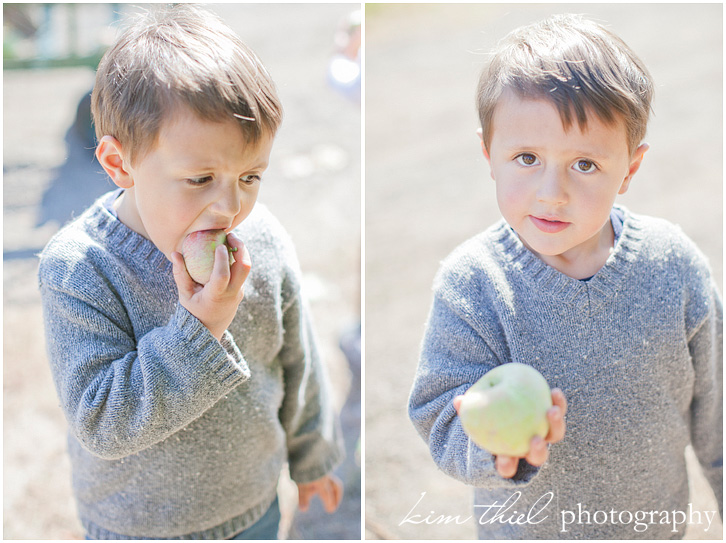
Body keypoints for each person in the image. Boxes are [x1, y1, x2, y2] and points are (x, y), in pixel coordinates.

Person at [408, 14, 722, 539]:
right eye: (526, 157)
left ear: (630, 167)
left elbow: (717, 407)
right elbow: (439, 411)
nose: (551, 193)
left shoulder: (673, 267)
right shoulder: (474, 284)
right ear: (488, 153)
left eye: (584, 165)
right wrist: (496, 451)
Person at [38, 5, 343, 539]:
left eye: (250, 176)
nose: (229, 206)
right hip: (136, 527)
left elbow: (297, 356)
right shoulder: (80, 268)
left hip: (253, 509)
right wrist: (199, 331)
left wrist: (312, 457)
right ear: (119, 164)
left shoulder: (262, 238)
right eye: (201, 178)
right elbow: (101, 419)